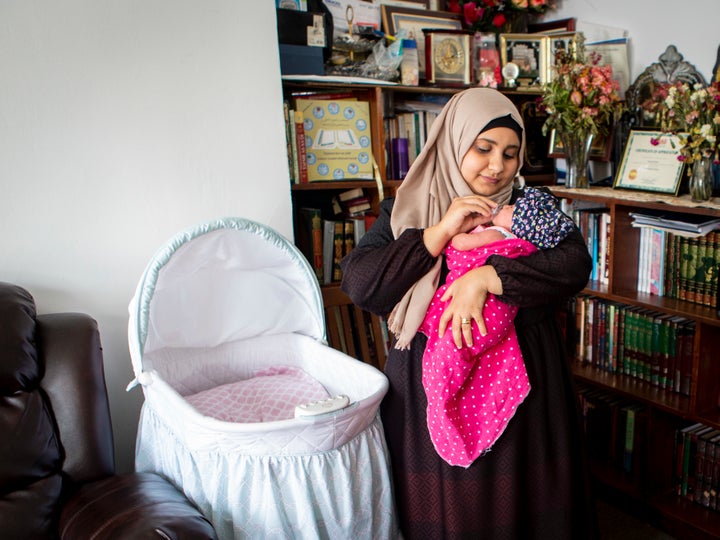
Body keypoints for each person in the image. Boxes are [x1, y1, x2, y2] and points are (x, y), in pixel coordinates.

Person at [340, 87, 597, 539]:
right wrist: (440, 231)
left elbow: (575, 263)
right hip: (427, 382)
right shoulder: (405, 210)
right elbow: (362, 285)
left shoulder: (531, 208)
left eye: (510, 153)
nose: (497, 165)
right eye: (483, 148)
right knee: (450, 507)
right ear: (454, 141)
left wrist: (486, 279)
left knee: (523, 504)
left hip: (525, 381)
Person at [419, 188, 576, 469]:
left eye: (512, 211)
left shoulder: (499, 236)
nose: (507, 207)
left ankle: (441, 399)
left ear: (516, 226)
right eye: (483, 149)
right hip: (495, 315)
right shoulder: (513, 234)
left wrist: (455, 232)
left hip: (486, 314)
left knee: (453, 348)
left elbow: (461, 244)